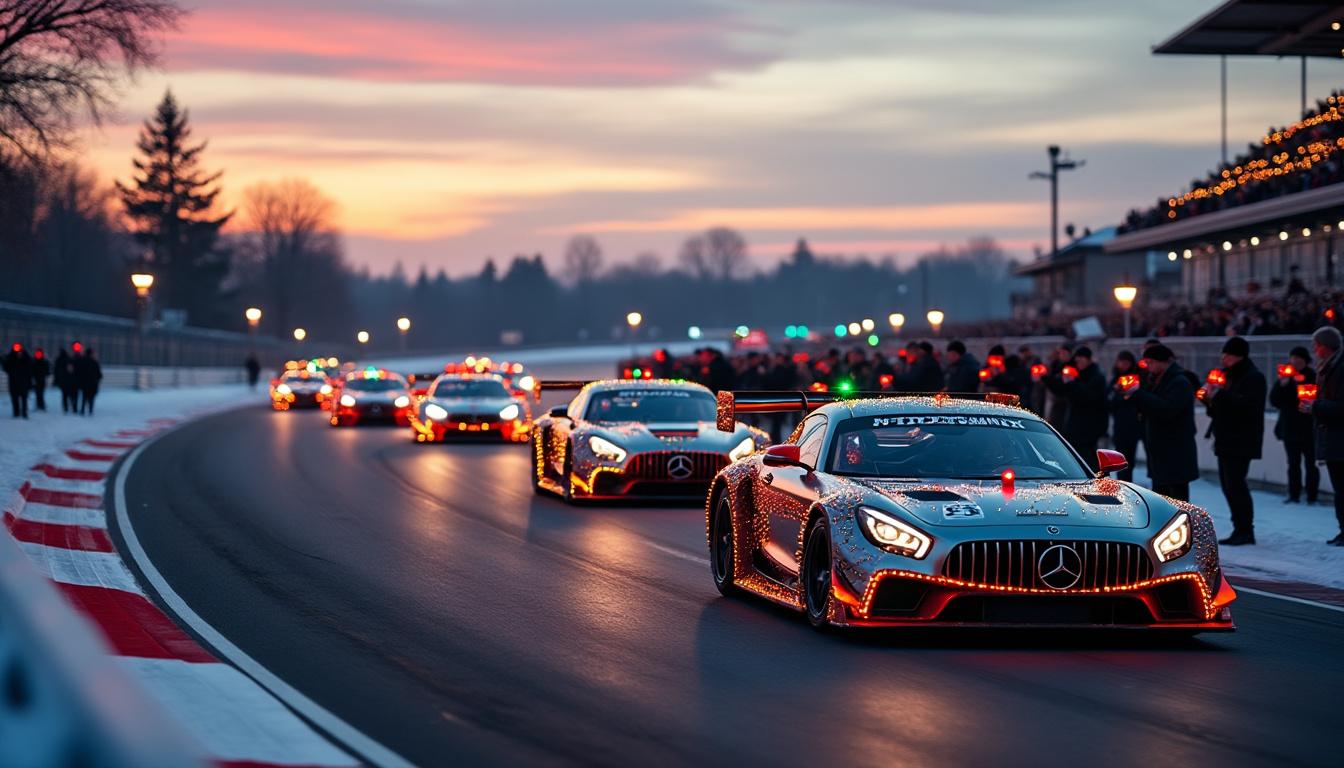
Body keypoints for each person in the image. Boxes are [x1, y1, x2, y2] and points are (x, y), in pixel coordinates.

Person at [1201, 336, 1266, 546]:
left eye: (1227, 354)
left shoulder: (1253, 377)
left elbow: (1246, 406)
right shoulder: (1228, 375)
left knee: (1236, 484)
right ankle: (1240, 527)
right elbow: (1219, 409)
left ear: (1238, 356)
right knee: (1228, 485)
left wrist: (1219, 395)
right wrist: (1208, 399)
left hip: (1241, 439)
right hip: (1225, 437)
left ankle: (1246, 529)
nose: (1224, 358)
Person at [1126, 344, 1199, 501]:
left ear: (1163, 362)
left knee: (1178, 501)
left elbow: (1167, 409)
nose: (1148, 367)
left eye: (1151, 362)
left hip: (1175, 451)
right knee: (1161, 500)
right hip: (1161, 452)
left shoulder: (1179, 382)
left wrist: (1139, 394)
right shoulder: (1155, 380)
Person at [1302, 326, 1344, 546]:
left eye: (1316, 345)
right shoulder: (1329, 367)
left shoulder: (1339, 368)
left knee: (1342, 489)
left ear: (1325, 347)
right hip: (1333, 438)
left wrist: (1315, 406)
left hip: (1339, 438)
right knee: (1339, 489)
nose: (1314, 349)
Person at [1044, 345, 1108, 470]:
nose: (1079, 363)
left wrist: (1072, 384)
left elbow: (1089, 396)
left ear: (1089, 360)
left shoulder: (1096, 377)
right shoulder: (1077, 374)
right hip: (1075, 425)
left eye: (1081, 360)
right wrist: (1047, 379)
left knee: (1091, 460)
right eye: (1077, 361)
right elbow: (1062, 390)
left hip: (1091, 426)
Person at [1269, 346, 1319, 505]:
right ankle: (1294, 494)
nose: (1295, 361)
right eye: (1293, 358)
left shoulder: (1312, 376)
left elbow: (1310, 402)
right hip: (1289, 427)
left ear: (1305, 360)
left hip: (1309, 428)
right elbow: (1274, 401)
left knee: (1311, 464)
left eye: (1298, 358)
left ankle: (1312, 496)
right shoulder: (1286, 377)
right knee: (1293, 463)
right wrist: (1283, 385)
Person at [1107, 351, 1142, 482]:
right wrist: (1117, 392)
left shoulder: (1138, 378)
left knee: (1129, 461)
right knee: (1120, 461)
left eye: (1126, 363)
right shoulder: (1115, 380)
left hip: (1134, 425)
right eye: (1121, 362)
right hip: (1120, 426)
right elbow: (1108, 402)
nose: (1123, 365)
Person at [3, 343, 32, 419]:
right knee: (15, 398)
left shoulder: (25, 356)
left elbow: (29, 368)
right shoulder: (10, 356)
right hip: (14, 381)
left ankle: (24, 413)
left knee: (24, 398)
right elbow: (6, 368)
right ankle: (16, 413)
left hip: (23, 381)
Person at [75, 347, 102, 415]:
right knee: (91, 397)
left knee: (84, 397)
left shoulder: (82, 361)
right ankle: (90, 410)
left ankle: (82, 410)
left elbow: (78, 372)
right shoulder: (94, 362)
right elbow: (99, 374)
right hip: (92, 383)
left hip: (84, 383)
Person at [53, 347, 76, 413]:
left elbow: (56, 371)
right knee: (70, 395)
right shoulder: (68, 359)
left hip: (63, 380)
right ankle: (72, 407)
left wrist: (56, 380)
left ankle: (65, 407)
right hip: (69, 380)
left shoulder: (59, 360)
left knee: (64, 395)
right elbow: (71, 370)